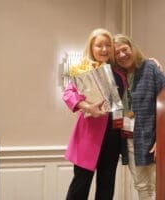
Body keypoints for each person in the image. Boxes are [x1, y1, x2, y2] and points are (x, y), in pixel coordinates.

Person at [62, 28, 125, 200]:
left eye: (107, 45)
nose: (104, 49)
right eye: (99, 46)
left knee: (106, 187)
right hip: (88, 136)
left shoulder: (119, 72)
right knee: (80, 186)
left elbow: (136, 62)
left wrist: (152, 60)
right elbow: (68, 94)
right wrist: (86, 107)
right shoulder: (82, 69)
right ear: (91, 47)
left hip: (112, 137)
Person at [113, 34, 165, 200]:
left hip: (152, 139)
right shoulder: (116, 75)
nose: (122, 55)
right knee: (141, 185)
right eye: (117, 53)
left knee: (159, 185)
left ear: (132, 48)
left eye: (125, 49)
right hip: (129, 140)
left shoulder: (150, 68)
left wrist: (161, 139)